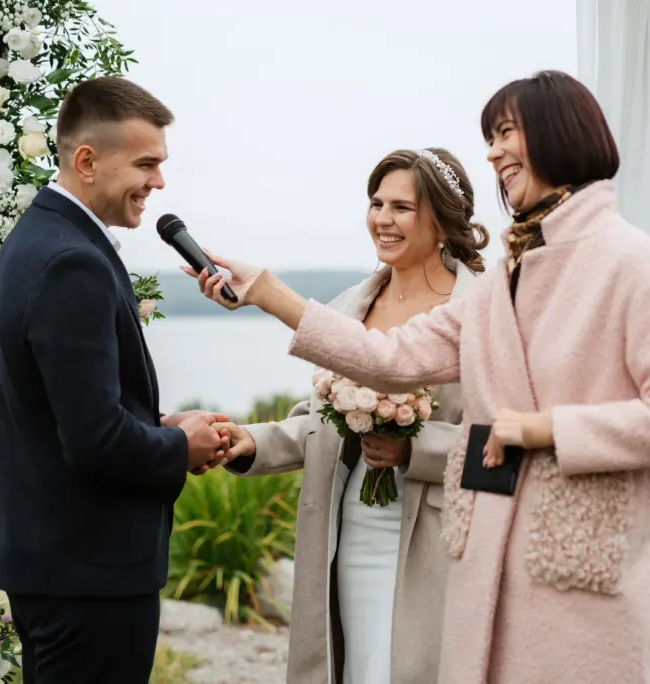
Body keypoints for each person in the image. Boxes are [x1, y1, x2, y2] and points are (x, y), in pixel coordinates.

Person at [188, 71, 650, 684]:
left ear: (559, 135)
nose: (491, 152)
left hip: (578, 559)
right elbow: (389, 359)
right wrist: (267, 292)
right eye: (489, 137)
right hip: (489, 556)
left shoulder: (629, 260)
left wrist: (544, 429)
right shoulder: (505, 278)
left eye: (504, 132)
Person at [201, 148, 487, 684]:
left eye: (402, 206)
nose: (382, 218)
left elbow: (506, 445)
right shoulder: (350, 305)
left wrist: (414, 450)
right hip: (353, 525)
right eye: (376, 202)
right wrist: (251, 440)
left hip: (442, 539)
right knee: (359, 666)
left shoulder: (482, 310)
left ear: (443, 219)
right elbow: (319, 419)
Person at [0, 76, 230, 683]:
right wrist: (181, 445)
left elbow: (66, 410)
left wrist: (156, 424)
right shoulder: (73, 261)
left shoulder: (39, 238)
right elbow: (94, 441)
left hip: (60, 565)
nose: (160, 182)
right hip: (88, 573)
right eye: (146, 163)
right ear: (87, 161)